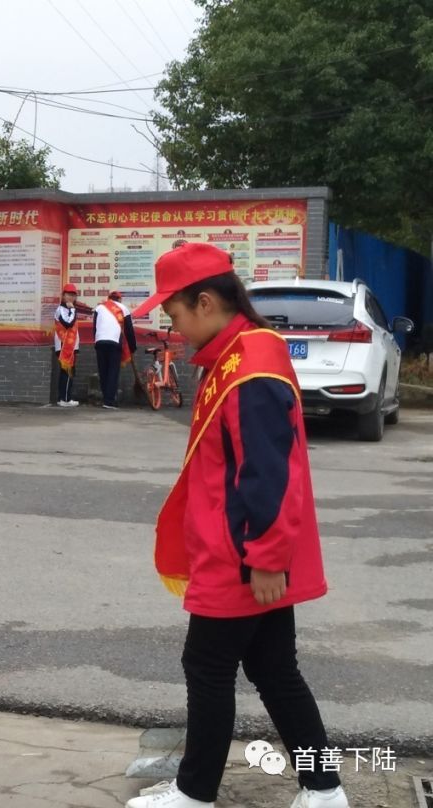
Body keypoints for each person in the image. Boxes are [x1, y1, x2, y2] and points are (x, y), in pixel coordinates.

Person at [124, 242, 348, 808]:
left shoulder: (249, 365)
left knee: (207, 666)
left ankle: (195, 792)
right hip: (244, 548)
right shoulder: (243, 353)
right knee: (274, 670)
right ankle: (323, 789)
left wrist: (268, 558)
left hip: (242, 554)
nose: (174, 330)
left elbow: (269, 473)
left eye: (174, 316)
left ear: (205, 301)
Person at [93, 289, 137, 409]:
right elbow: (129, 330)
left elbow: (95, 327)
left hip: (100, 342)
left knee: (103, 371)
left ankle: (105, 398)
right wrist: (133, 348)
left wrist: (96, 341)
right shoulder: (123, 308)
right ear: (119, 299)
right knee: (113, 371)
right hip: (114, 342)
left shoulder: (99, 308)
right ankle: (109, 401)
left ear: (109, 298)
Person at [53, 282, 81, 407]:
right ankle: (64, 399)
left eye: (73, 295)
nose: (71, 297)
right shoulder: (61, 309)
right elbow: (68, 323)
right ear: (63, 296)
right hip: (64, 345)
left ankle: (65, 397)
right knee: (66, 371)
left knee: (69, 372)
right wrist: (73, 309)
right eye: (68, 294)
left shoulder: (68, 309)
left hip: (71, 345)